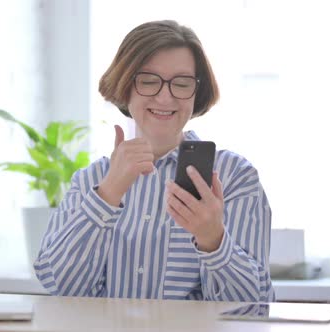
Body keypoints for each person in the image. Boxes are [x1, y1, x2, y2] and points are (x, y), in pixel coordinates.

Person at [34, 20, 274, 302]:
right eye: (148, 81)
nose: (164, 97)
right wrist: (108, 195)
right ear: (125, 87)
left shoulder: (234, 177)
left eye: (182, 84)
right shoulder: (92, 180)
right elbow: (59, 287)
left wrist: (213, 240)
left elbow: (253, 308)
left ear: (196, 93)